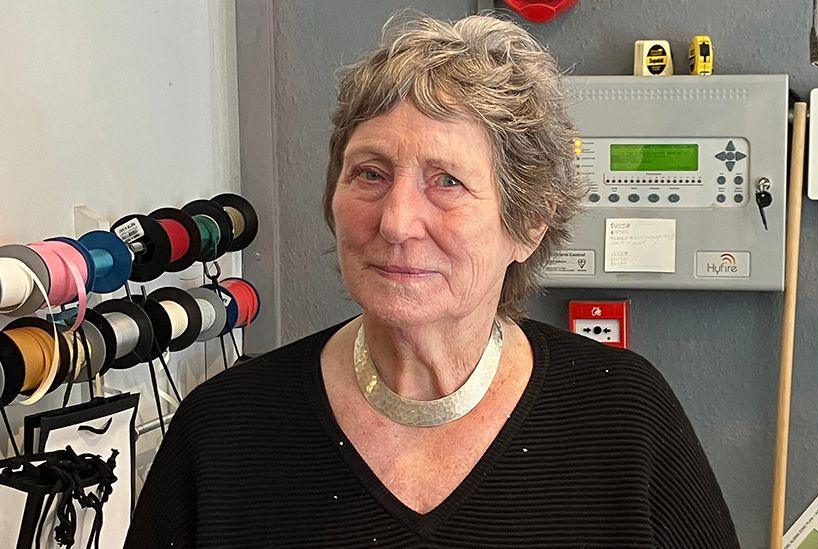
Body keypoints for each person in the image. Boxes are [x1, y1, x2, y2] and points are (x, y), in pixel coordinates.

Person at [125, 13, 738, 548]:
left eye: (446, 181)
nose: (395, 221)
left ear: (527, 223)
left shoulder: (625, 419)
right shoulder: (224, 431)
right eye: (369, 173)